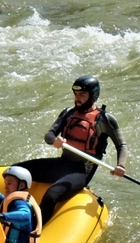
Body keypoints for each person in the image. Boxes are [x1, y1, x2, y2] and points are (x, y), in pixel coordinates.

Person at [13, 75, 127, 225]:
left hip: (81, 172)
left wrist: (120, 165)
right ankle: (12, 209)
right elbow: (49, 135)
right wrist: (55, 140)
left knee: (51, 195)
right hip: (63, 164)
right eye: (75, 94)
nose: (77, 98)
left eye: (82, 95)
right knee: (16, 171)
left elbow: (121, 146)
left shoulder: (104, 120)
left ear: (93, 96)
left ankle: (33, 229)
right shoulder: (68, 112)